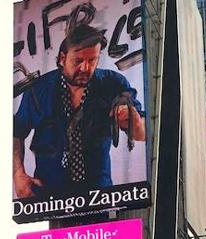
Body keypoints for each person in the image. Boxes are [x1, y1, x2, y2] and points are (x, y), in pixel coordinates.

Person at [13, 23, 146, 198]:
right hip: (49, 198)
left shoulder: (113, 84)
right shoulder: (39, 89)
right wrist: (18, 174)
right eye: (78, 61)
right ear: (62, 58)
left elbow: (141, 134)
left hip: (100, 196)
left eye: (92, 60)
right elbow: (16, 132)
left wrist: (132, 119)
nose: (85, 68)